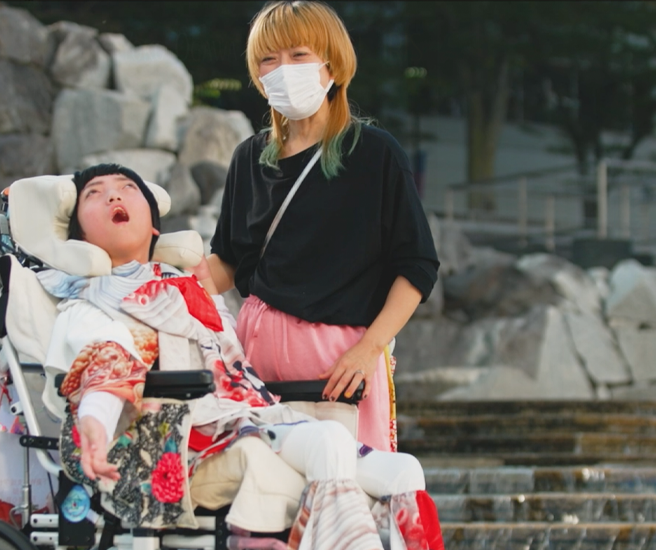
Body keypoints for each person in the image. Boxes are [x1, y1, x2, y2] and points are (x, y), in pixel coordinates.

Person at [41, 164, 439, 548]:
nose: (113, 193)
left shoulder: (187, 290)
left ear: (154, 225)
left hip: (247, 419)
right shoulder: (89, 303)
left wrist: (205, 284)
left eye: (127, 187)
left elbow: (232, 364)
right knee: (330, 441)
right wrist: (94, 420)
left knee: (405, 471)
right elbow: (108, 360)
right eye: (94, 194)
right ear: (80, 238)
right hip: (183, 438)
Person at [197, 1, 439, 454]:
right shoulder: (249, 157)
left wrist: (369, 350)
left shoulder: (373, 153)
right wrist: (161, 276)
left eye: (298, 55)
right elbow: (228, 261)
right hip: (255, 357)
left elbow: (417, 265)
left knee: (346, 496)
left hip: (338, 362)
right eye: (268, 59)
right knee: (261, 508)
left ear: (333, 63)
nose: (282, 69)